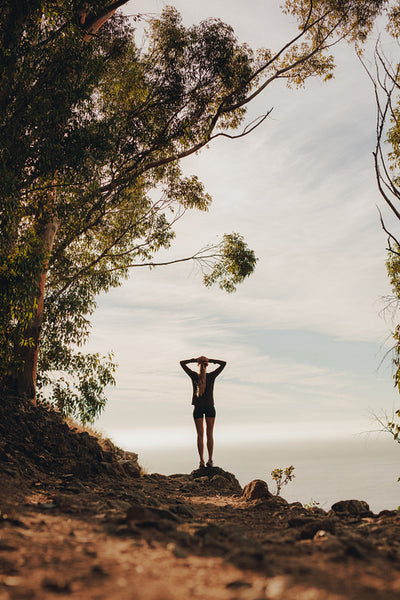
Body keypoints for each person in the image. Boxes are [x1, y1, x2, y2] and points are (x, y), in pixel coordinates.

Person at [180, 355, 226, 469]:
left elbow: (182, 363)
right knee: (209, 434)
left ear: (198, 364)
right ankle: (210, 460)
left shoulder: (194, 376)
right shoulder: (211, 376)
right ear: (206, 365)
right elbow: (223, 363)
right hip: (210, 407)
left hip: (198, 408)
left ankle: (201, 461)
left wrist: (194, 360)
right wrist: (211, 360)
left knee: (200, 435)